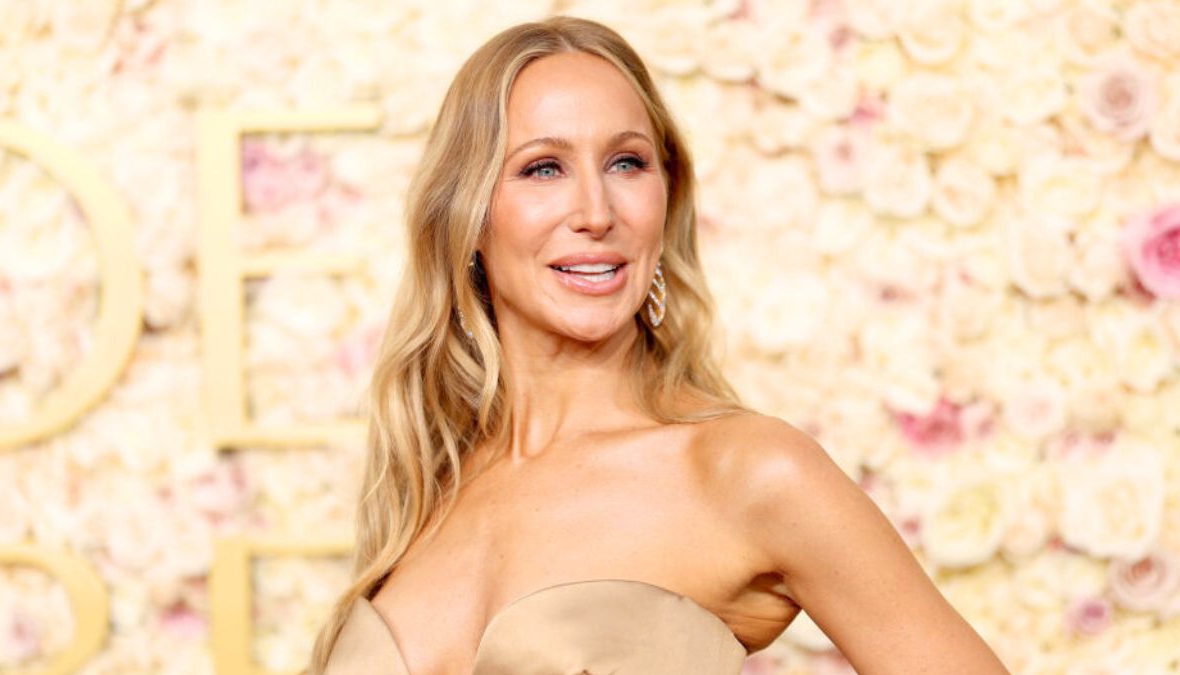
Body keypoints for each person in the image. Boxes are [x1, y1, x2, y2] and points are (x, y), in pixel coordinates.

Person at [307, 15, 1010, 675]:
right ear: (467, 214)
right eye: (543, 168)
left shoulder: (748, 471)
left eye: (627, 163)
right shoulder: (428, 481)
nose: (595, 213)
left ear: (666, 200)